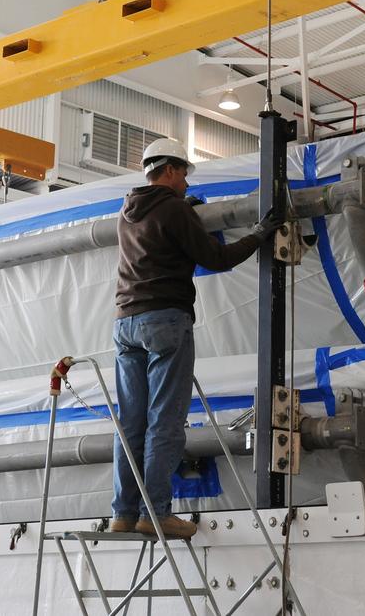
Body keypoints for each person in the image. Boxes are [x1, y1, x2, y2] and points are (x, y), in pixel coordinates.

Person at [110, 138, 282, 539]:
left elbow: (163, 236)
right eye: (184, 174)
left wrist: (187, 214)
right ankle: (157, 513)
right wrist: (259, 234)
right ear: (169, 170)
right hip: (165, 320)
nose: (187, 183)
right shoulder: (172, 208)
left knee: (130, 423)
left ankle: (123, 512)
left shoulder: (126, 212)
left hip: (124, 324)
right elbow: (216, 259)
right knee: (165, 422)